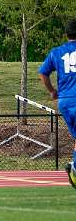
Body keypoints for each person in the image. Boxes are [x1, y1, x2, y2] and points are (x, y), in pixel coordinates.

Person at [39, 19, 76, 189]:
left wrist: (52, 91)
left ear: (66, 34)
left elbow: (43, 73)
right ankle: (74, 168)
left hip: (65, 101)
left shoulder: (56, 52)